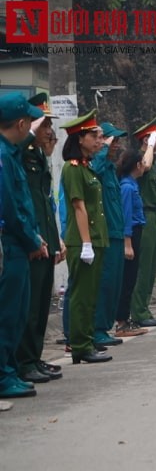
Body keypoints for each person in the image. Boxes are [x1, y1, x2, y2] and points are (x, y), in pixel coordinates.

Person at [0, 93, 48, 398]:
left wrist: (35, 236)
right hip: (12, 245)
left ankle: (10, 370)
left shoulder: (11, 153)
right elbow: (9, 209)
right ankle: (4, 375)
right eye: (30, 121)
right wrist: (32, 239)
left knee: (17, 311)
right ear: (20, 123)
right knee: (9, 312)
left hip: (21, 242)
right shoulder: (4, 156)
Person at [16, 93, 65, 384]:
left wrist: (55, 238)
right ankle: (23, 362)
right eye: (45, 124)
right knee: (30, 306)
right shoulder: (21, 153)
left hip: (44, 237)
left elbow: (46, 203)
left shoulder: (37, 157)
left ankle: (34, 357)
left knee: (42, 304)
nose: (50, 131)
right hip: (30, 240)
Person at [60, 109, 112, 364]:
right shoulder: (72, 170)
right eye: (93, 135)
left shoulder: (86, 168)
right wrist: (87, 244)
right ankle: (80, 345)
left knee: (91, 294)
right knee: (81, 295)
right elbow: (79, 206)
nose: (97, 140)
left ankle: (87, 341)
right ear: (80, 138)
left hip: (95, 238)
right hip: (82, 241)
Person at [92, 121, 138, 346]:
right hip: (106, 234)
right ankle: (98, 329)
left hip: (116, 232)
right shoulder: (98, 165)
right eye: (112, 140)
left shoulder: (110, 169)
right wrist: (102, 149)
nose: (115, 145)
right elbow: (94, 169)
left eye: (116, 141)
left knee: (114, 284)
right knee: (105, 283)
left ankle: (105, 326)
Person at [129, 117, 156, 327]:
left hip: (155, 214)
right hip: (145, 214)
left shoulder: (152, 159)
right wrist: (149, 145)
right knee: (144, 267)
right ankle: (138, 312)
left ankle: (144, 308)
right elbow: (146, 165)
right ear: (146, 140)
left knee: (152, 267)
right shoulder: (141, 158)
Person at [115, 149, 150, 336]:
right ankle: (121, 323)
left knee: (131, 278)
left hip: (136, 232)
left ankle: (124, 320)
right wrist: (127, 242)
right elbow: (126, 216)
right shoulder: (127, 188)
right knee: (127, 280)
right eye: (143, 162)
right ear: (137, 165)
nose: (145, 165)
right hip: (131, 234)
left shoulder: (132, 185)